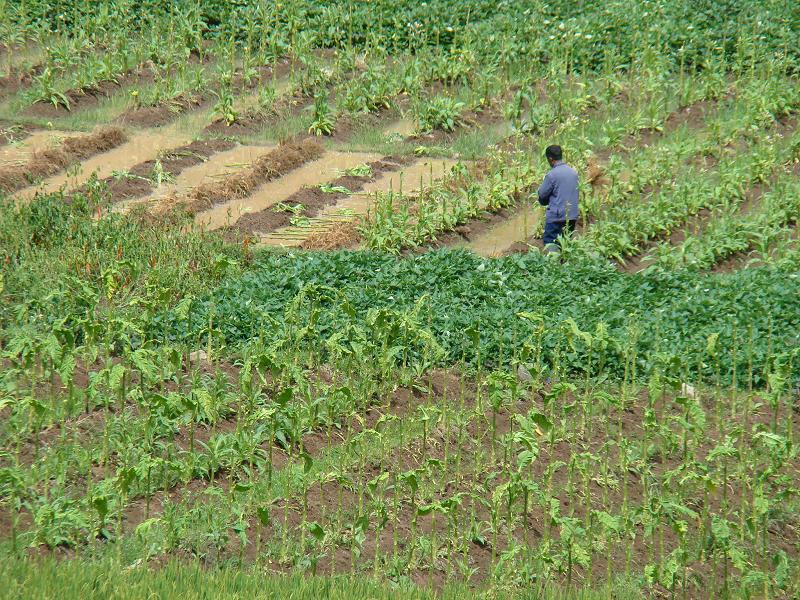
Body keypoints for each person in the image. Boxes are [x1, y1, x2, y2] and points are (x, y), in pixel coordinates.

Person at [537, 145, 579, 248]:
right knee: (565, 245)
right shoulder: (573, 173)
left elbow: (542, 194)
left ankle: (553, 263)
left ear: (550, 159)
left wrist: (544, 202)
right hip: (571, 216)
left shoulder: (552, 175)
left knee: (551, 245)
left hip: (556, 218)